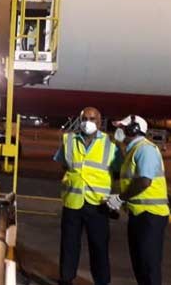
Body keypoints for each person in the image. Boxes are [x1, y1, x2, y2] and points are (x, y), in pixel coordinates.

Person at [53, 107, 121, 285]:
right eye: (85, 118)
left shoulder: (110, 145)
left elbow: (120, 172)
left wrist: (117, 200)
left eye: (92, 119)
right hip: (72, 201)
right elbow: (64, 165)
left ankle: (102, 281)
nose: (88, 122)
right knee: (68, 245)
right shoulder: (68, 140)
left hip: (98, 204)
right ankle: (66, 278)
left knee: (99, 247)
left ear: (99, 122)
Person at [106, 115, 169, 285]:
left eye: (122, 126)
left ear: (133, 129)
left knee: (148, 266)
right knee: (140, 264)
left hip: (150, 216)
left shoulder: (145, 149)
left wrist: (120, 198)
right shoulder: (134, 150)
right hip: (139, 215)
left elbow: (144, 181)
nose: (119, 130)